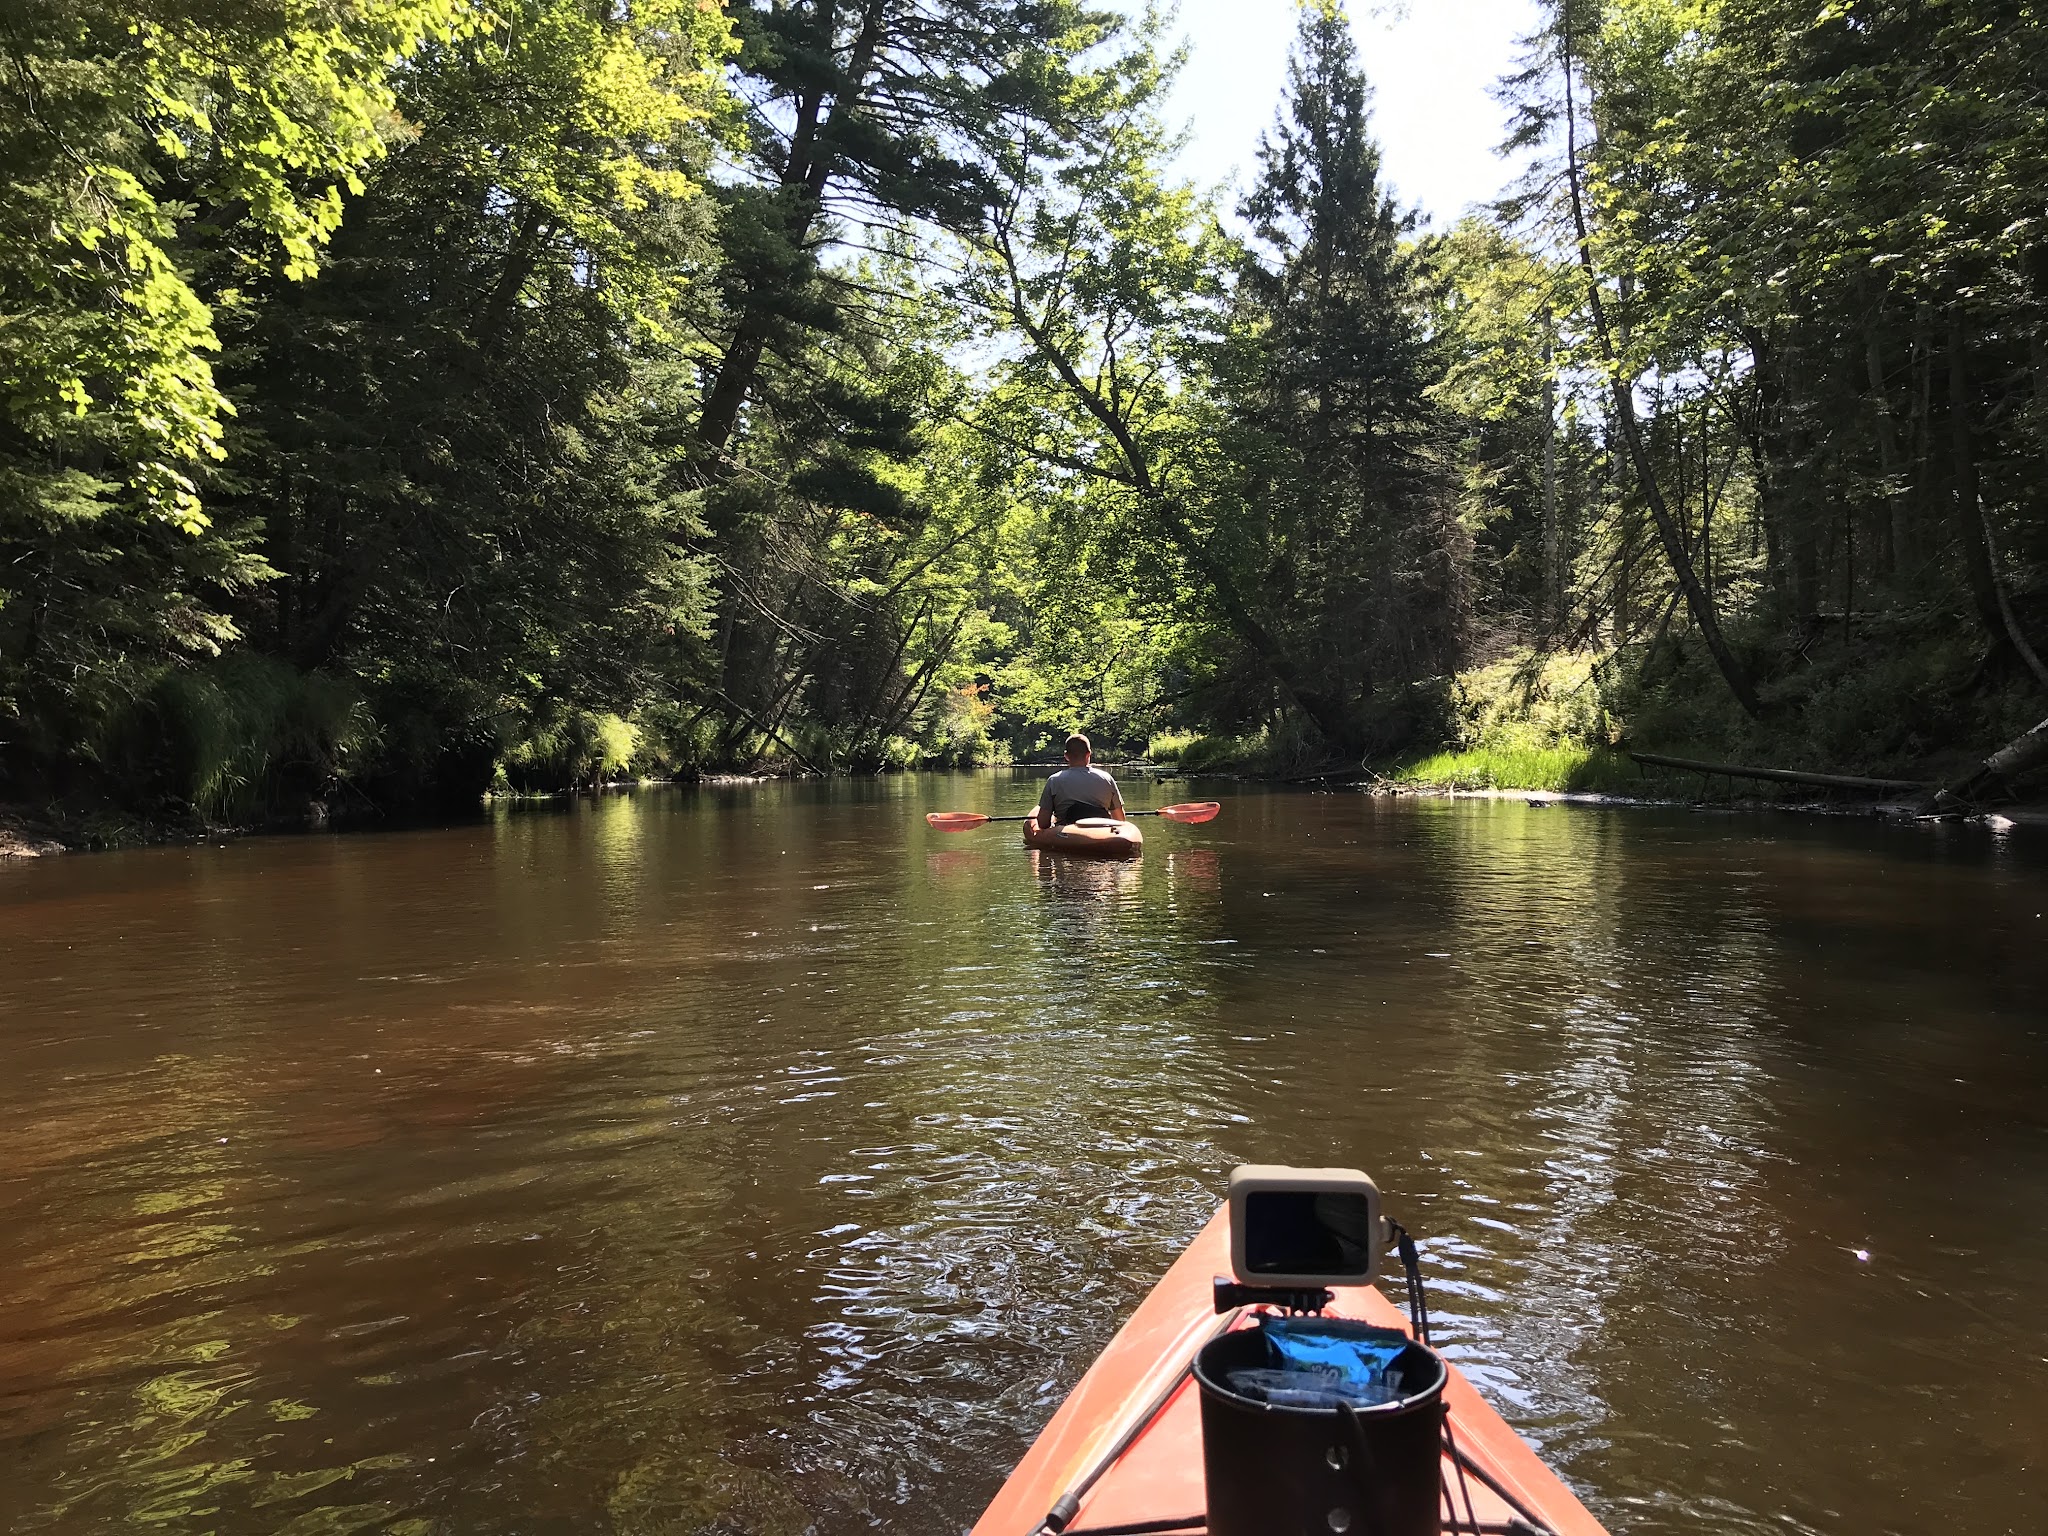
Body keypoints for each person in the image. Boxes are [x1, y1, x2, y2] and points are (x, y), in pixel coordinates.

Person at [1031, 733, 1125, 832]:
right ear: (1089, 754)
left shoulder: (1054, 780)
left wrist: (1053, 818)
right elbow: (1120, 819)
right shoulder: (1107, 779)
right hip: (1101, 832)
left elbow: (1042, 823)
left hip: (1067, 837)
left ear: (1066, 756)